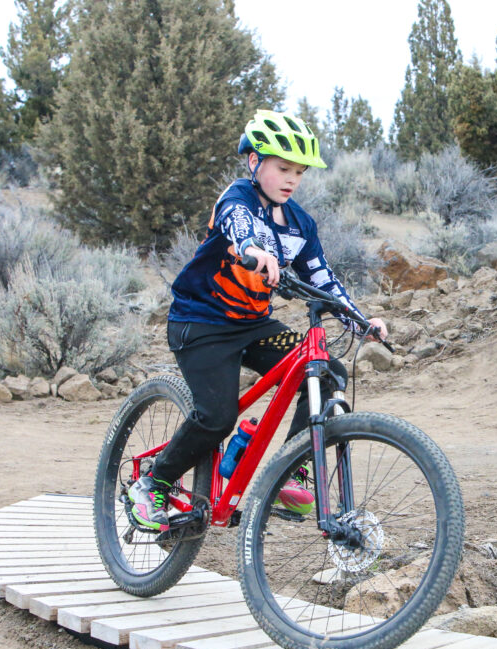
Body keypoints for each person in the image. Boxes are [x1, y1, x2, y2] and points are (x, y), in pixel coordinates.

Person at [129, 109, 388, 532]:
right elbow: (237, 223)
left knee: (324, 371)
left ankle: (291, 472)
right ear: (255, 162)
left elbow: (321, 277)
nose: (292, 179)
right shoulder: (238, 198)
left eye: (299, 172)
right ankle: (152, 482)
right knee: (217, 417)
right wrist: (254, 247)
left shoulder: (302, 223)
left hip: (253, 326)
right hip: (201, 324)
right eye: (283, 168)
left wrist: (361, 320)